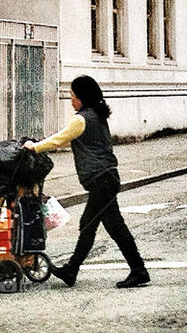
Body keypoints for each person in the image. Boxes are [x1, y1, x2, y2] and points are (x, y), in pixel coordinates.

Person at [23, 75, 149, 288]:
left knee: (94, 225)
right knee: (109, 227)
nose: (71, 100)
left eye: (72, 96)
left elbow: (59, 139)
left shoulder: (81, 119)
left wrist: (33, 147)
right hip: (107, 177)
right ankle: (135, 270)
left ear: (81, 97)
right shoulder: (97, 116)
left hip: (101, 180)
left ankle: (76, 270)